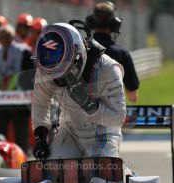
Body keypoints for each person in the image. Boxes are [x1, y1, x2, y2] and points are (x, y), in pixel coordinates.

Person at [32, 23, 126, 159]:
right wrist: (40, 138)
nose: (58, 78)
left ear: (79, 55)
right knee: (54, 171)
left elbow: (118, 118)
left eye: (64, 71)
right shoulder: (45, 69)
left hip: (103, 134)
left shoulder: (108, 69)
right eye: (54, 72)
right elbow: (40, 104)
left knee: (100, 176)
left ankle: (126, 172)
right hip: (69, 132)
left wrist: (91, 106)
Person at [86, 1, 140, 103]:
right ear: (115, 24)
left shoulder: (82, 48)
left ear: (91, 22)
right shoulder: (122, 53)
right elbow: (133, 96)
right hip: (111, 115)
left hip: (80, 113)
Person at [0, 24, 34, 152]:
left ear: (12, 37)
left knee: (20, 131)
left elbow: (30, 74)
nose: (4, 40)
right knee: (0, 131)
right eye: (1, 37)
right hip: (2, 98)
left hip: (19, 99)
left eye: (7, 37)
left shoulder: (23, 51)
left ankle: (22, 155)